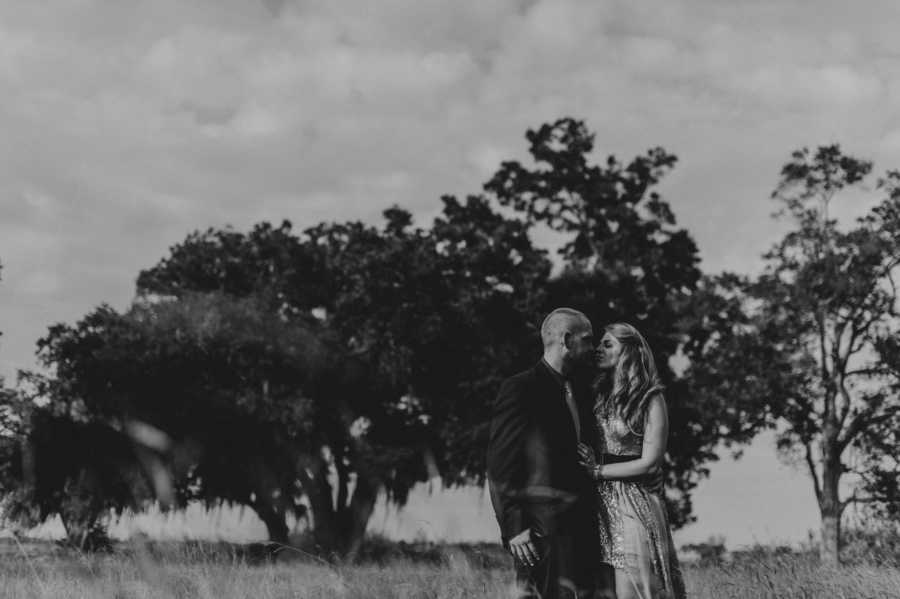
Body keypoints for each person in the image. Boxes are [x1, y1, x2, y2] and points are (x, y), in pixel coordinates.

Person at [487, 308, 614, 599]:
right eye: (588, 339)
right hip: (539, 535)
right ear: (567, 340)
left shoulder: (582, 391)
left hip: (583, 529)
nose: (593, 347)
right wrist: (515, 527)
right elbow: (500, 463)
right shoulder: (520, 389)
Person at [577, 323, 686, 599]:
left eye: (607, 344)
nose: (598, 350)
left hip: (632, 500)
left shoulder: (651, 398)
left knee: (635, 586)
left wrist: (598, 471)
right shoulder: (597, 393)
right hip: (597, 501)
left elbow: (651, 462)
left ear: (629, 352)